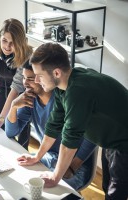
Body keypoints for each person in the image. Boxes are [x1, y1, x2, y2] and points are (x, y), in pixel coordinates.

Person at [20, 42, 127, 200]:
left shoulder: (78, 91)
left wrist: (56, 177)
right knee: (108, 188)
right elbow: (53, 126)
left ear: (56, 73)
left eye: (39, 75)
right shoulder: (63, 87)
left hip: (124, 143)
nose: (36, 80)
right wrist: (37, 157)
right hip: (111, 141)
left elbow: (70, 139)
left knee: (115, 195)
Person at [5, 62, 97, 191]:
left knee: (41, 191)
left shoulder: (65, 99)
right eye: (24, 78)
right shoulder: (30, 99)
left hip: (73, 165)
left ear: (44, 78)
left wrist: (73, 166)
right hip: (48, 157)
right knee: (14, 173)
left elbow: (93, 135)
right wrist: (13, 106)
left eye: (31, 78)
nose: (25, 83)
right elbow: (11, 132)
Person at [0, 18, 33, 138]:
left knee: (18, 131)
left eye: (12, 43)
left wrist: (1, 119)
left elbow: (17, 86)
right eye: (4, 40)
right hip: (1, 88)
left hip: (21, 93)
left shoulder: (26, 54)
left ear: (20, 43)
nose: (7, 47)